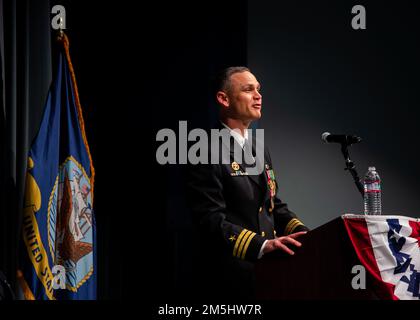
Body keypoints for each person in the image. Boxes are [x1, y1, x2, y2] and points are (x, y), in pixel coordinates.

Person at [187, 66, 309, 299]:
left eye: (259, 89)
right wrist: (262, 246)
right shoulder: (203, 149)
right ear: (223, 99)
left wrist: (304, 234)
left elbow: (273, 205)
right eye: (248, 89)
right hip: (229, 279)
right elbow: (210, 220)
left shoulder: (259, 147)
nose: (258, 95)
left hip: (267, 275)